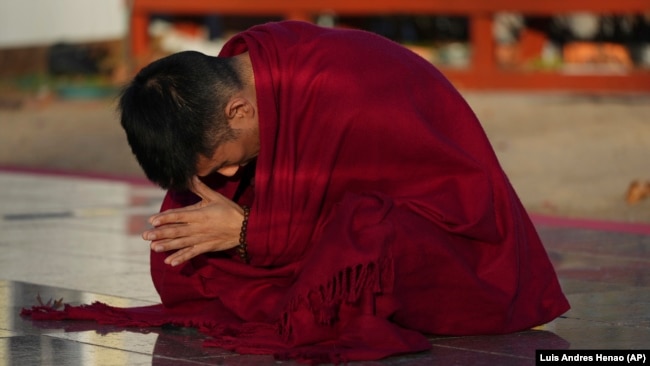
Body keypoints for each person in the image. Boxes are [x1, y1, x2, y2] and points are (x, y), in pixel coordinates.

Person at [23, 21, 569, 363]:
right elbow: (296, 194)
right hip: (330, 217)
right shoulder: (250, 76)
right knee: (181, 251)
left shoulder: (338, 86)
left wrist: (244, 231)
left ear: (238, 111)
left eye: (218, 161)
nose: (220, 173)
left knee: (364, 236)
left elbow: (351, 203)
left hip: (453, 239)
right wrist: (215, 219)